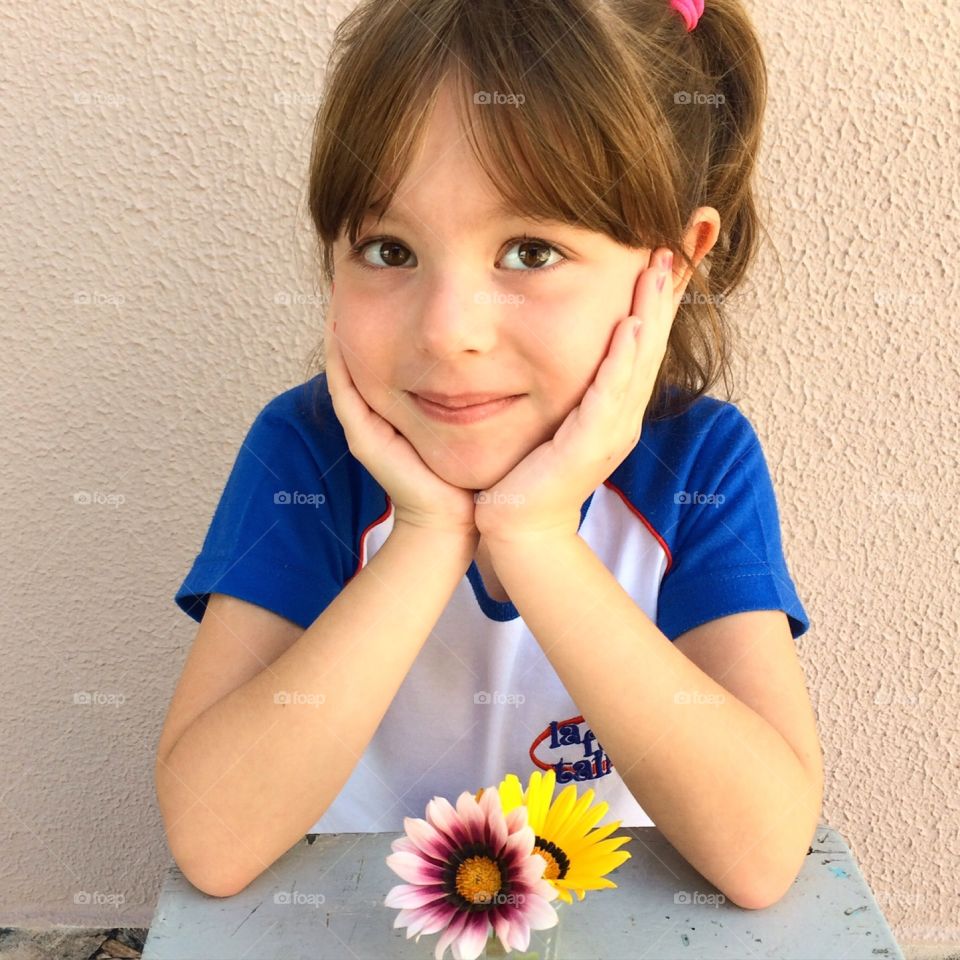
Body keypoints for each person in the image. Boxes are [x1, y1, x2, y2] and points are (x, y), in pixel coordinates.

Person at [155, 0, 824, 910]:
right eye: (389, 248)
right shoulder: (304, 456)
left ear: (670, 268)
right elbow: (210, 837)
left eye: (529, 250)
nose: (448, 331)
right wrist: (430, 534)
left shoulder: (699, 468)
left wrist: (539, 537)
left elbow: (762, 854)